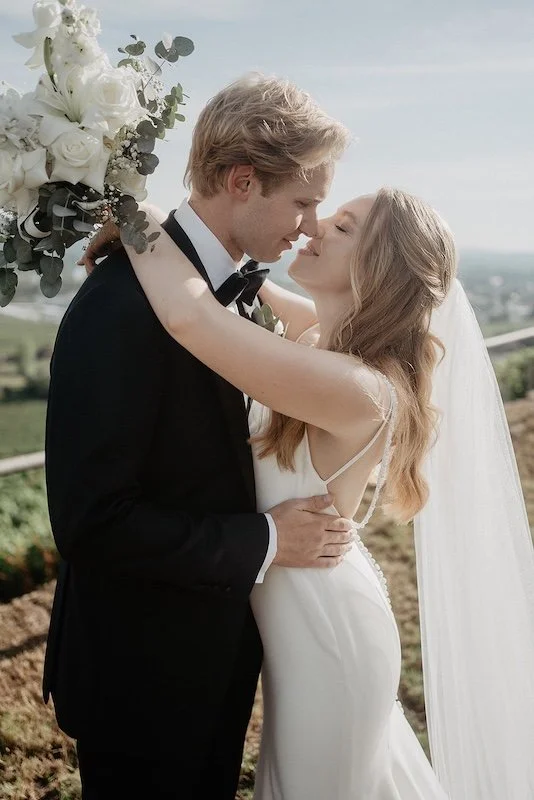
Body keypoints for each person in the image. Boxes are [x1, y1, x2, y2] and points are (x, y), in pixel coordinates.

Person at [88, 185, 534, 799]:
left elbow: (193, 317)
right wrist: (167, 224)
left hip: (328, 637)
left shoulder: (360, 388)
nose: (315, 226)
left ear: (379, 272)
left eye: (343, 227)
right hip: (300, 624)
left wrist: (137, 216)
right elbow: (229, 280)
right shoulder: (325, 337)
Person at [42, 74, 352, 800]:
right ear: (243, 182)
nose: (310, 225)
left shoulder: (226, 289)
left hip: (216, 657)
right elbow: (92, 522)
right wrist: (266, 540)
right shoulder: (120, 307)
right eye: (302, 202)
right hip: (140, 675)